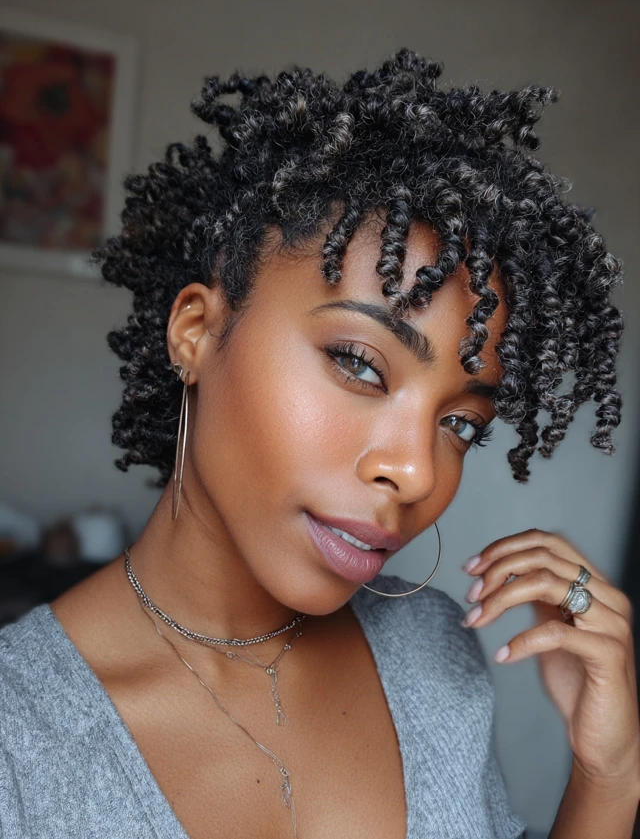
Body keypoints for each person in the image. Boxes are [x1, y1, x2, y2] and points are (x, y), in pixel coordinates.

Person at [0, 48, 638, 839]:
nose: (414, 471)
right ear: (196, 331)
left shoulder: (432, 658)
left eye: (460, 423)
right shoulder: (18, 742)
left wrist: (610, 774)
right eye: (358, 363)